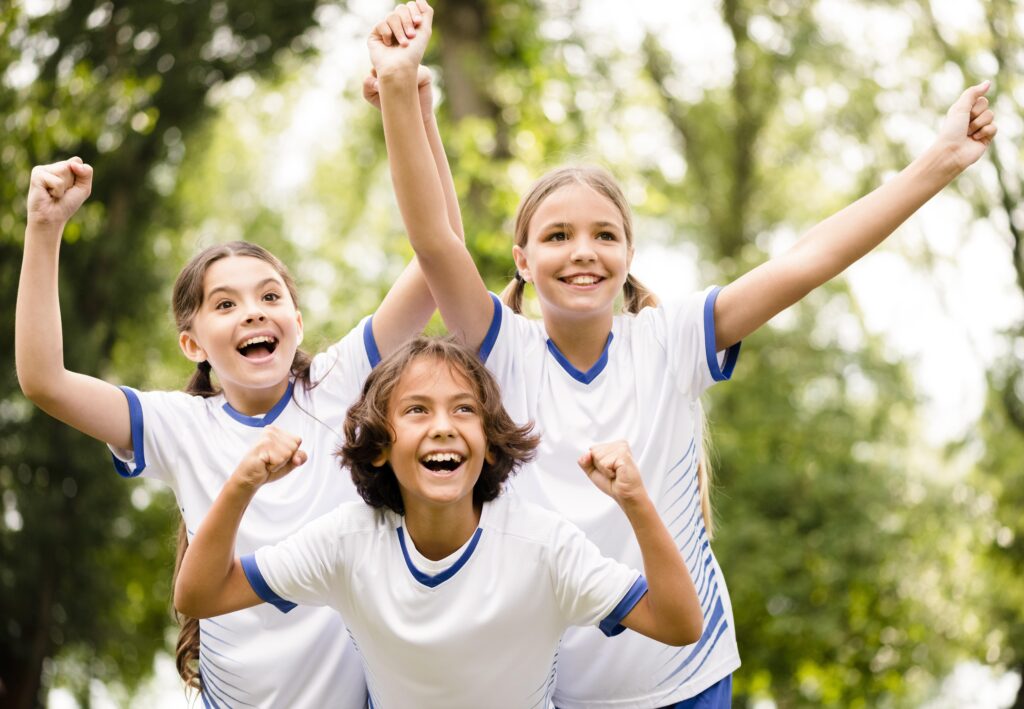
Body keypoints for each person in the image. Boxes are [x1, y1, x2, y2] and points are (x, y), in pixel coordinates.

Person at [370, 2, 999, 706]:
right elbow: (433, 240)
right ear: (521, 258)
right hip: (556, 688)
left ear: (629, 253)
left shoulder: (671, 342)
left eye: (604, 235)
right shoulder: (500, 351)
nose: (583, 251)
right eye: (557, 236)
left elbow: (808, 259)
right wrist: (401, 87)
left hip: (688, 680)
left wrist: (938, 163)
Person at [13, 19, 462, 703]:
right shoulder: (176, 425)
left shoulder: (339, 384)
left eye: (269, 295)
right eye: (225, 304)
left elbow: (440, 258)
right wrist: (43, 230)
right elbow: (43, 381)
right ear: (192, 342)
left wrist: (419, 110)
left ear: (296, 318)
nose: (253, 311)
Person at [174, 336, 704, 709]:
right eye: (417, 411)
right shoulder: (347, 541)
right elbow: (198, 596)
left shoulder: (544, 546)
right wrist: (241, 484)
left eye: (464, 410)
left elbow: (680, 625)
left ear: (490, 442)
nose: (444, 428)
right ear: (380, 448)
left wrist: (636, 502)